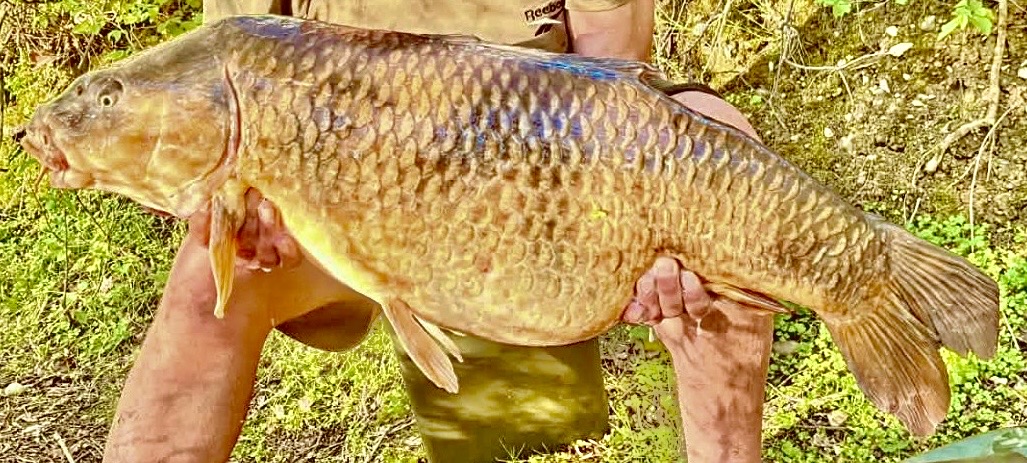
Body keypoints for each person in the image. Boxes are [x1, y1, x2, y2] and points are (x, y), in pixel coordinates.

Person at [100, 1, 775, 462]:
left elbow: (613, 75)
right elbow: (224, 67)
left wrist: (620, 219)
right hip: (322, 160)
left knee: (719, 163)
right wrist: (238, 198)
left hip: (522, 153)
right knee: (204, 286)